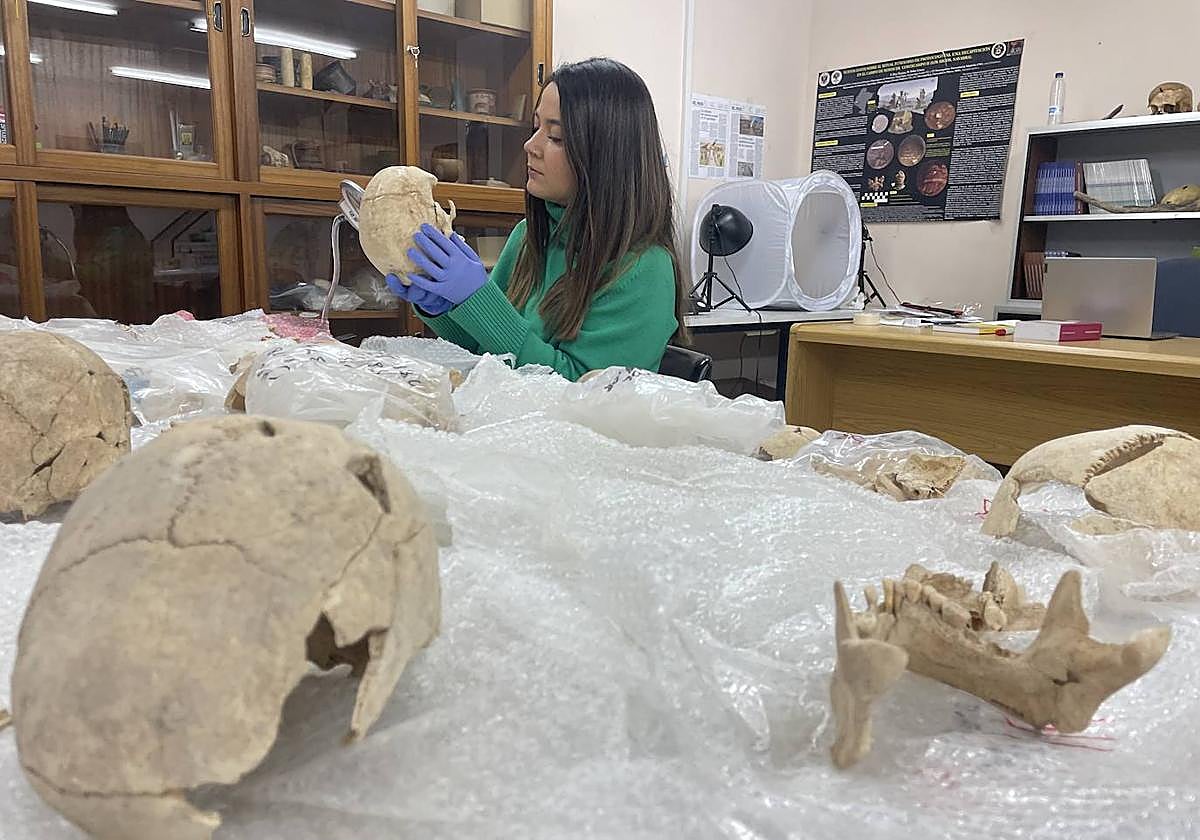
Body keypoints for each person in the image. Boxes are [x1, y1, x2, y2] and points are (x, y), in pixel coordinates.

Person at [385, 58, 689, 381]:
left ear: (606, 156)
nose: (531, 146)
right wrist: (445, 308)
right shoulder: (528, 237)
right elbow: (486, 351)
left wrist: (479, 299)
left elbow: (578, 393)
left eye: (555, 137)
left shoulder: (644, 270)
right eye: (536, 128)